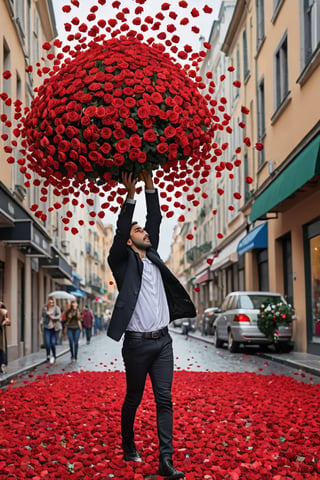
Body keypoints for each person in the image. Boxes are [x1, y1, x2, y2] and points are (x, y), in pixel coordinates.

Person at [107, 171, 196, 480]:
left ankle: (166, 461)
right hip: (135, 343)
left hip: (163, 343)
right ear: (129, 241)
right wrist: (130, 197)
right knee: (133, 397)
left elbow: (156, 219)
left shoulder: (154, 255)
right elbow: (121, 232)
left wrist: (150, 187)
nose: (144, 231)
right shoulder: (121, 261)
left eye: (144, 229)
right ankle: (129, 444)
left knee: (164, 399)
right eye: (138, 229)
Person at [41, 297, 61, 365]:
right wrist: (46, 312)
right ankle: (48, 355)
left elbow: (59, 316)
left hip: (55, 328)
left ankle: (54, 355)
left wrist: (52, 317)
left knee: (52, 342)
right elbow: (43, 316)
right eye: (50, 302)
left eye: (52, 302)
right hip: (47, 327)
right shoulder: (45, 308)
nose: (51, 303)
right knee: (47, 343)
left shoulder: (56, 308)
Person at [0, 302, 11, 374]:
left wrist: (5, 322)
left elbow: (9, 322)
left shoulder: (4, 311)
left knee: (1, 349)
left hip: (1, 333)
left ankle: (2, 365)